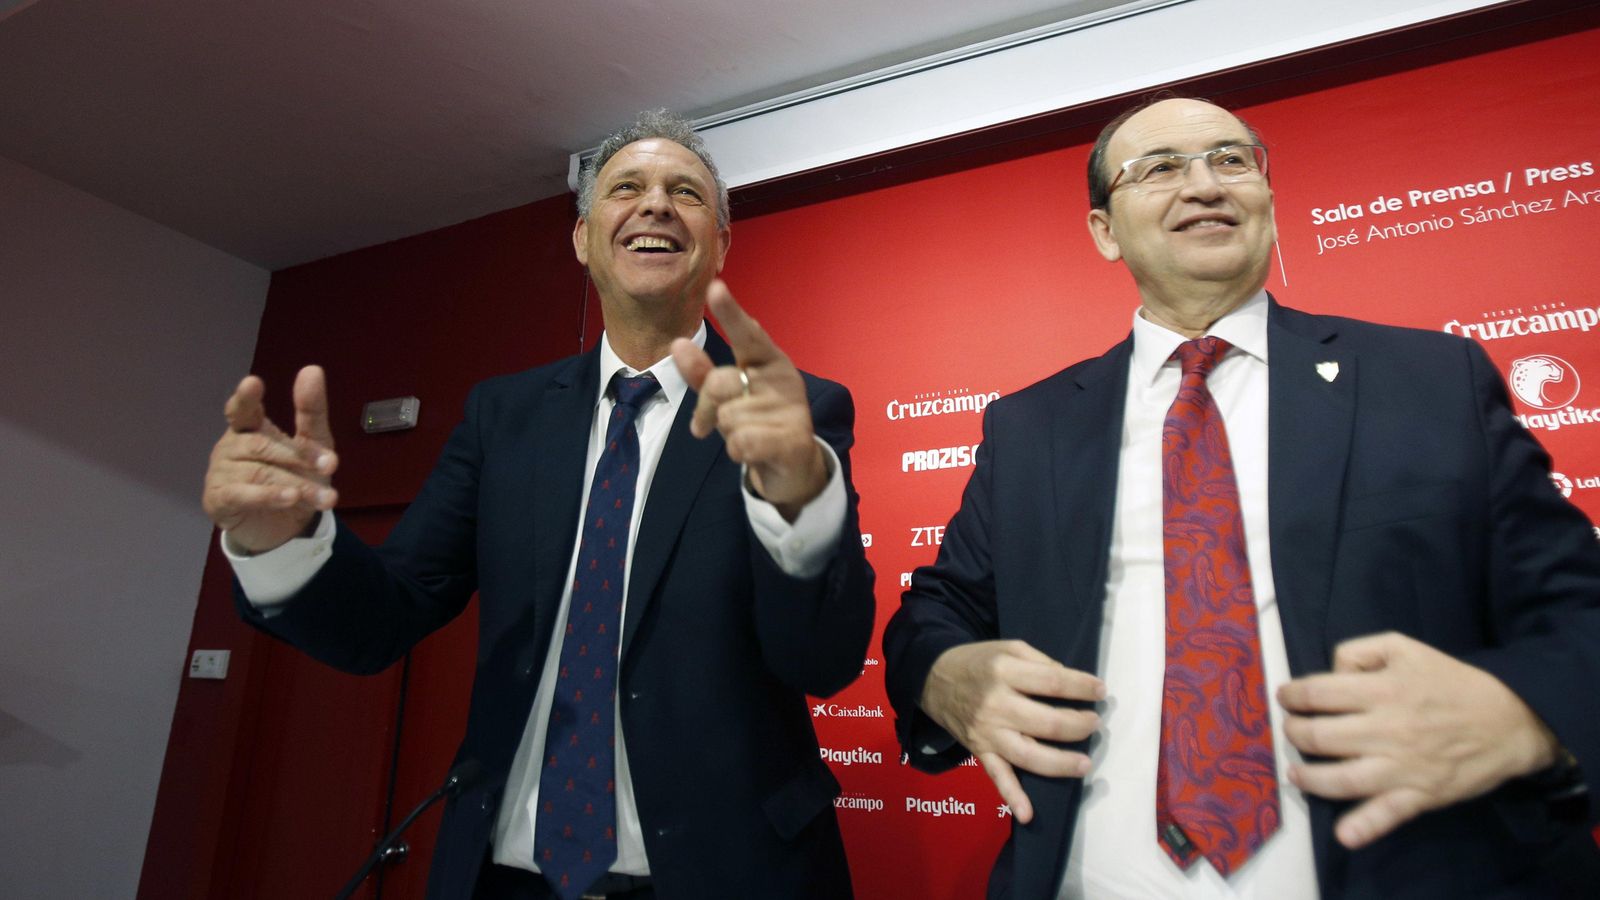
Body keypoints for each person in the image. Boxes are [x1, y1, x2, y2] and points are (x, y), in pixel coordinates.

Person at [883, 96, 1600, 899]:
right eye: (1159, 168)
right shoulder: (1032, 425)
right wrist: (941, 672)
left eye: (1232, 160)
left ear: (1265, 197)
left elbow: (1581, 611)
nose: (1204, 185)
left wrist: (1529, 717)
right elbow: (936, 610)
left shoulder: (1432, 382)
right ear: (1104, 232)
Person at [203, 110, 874, 900]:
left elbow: (823, 662)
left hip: (726, 876)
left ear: (721, 244)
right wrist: (284, 546)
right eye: (627, 187)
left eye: (685, 193)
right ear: (584, 238)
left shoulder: (791, 415)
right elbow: (384, 616)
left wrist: (797, 499)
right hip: (505, 880)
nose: (655, 204)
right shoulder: (503, 416)